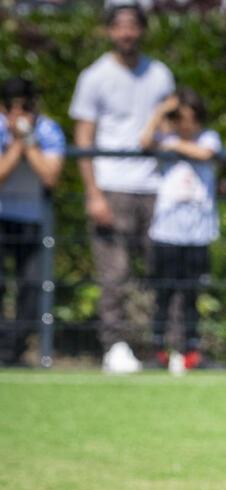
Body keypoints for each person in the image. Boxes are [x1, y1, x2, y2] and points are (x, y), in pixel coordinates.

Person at [69, 2, 175, 374]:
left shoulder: (160, 74)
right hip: (111, 186)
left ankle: (163, 348)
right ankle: (114, 346)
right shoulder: (94, 76)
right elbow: (83, 138)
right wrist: (93, 193)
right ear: (109, 31)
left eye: (133, 26)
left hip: (155, 187)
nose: (127, 33)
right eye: (120, 27)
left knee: (161, 271)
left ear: (142, 29)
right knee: (113, 275)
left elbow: (170, 128)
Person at [139, 88, 220, 373]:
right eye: (180, 118)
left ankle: (191, 352)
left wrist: (174, 145)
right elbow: (144, 141)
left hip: (197, 234)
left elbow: (205, 152)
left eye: (190, 119)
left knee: (191, 296)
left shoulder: (207, 138)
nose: (185, 125)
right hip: (166, 233)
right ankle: (158, 350)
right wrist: (161, 111)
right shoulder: (165, 138)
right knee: (163, 294)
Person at [0, 77, 64, 367]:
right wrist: (14, 147)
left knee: (32, 287)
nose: (20, 115)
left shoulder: (48, 130)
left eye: (26, 108)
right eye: (13, 109)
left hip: (33, 219)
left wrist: (27, 142)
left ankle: (15, 350)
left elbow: (50, 176)